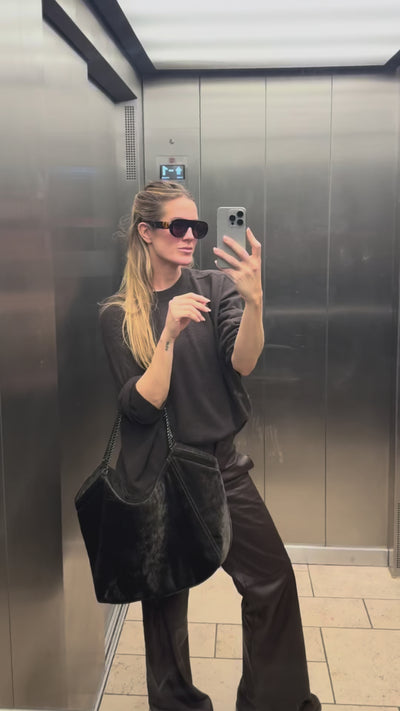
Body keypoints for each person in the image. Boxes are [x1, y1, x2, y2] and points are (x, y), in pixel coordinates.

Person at [99, 181, 321, 711]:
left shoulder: (216, 286)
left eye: (196, 227)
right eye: (178, 226)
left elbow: (243, 361)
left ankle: (274, 703)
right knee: (164, 607)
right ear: (145, 232)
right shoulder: (118, 314)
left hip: (220, 468)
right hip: (157, 478)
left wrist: (254, 302)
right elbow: (141, 407)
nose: (191, 236)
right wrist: (169, 334)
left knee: (271, 580)